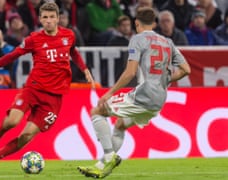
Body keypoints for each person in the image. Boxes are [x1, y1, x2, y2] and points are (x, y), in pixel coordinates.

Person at [0, 2, 95, 172]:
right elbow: (11, 56)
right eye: (45, 17)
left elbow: (73, 51)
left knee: (26, 136)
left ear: (57, 18)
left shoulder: (69, 35)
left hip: (54, 98)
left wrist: (84, 69)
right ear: (40, 20)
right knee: (12, 121)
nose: (49, 21)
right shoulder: (33, 39)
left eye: (52, 17)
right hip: (33, 89)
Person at [77, 7, 191, 178]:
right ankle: (101, 166)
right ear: (154, 23)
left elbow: (130, 72)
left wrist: (109, 93)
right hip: (159, 99)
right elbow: (186, 69)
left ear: (136, 23)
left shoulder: (137, 39)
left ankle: (109, 156)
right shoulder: (167, 41)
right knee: (120, 125)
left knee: (97, 112)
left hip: (143, 95)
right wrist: (166, 80)